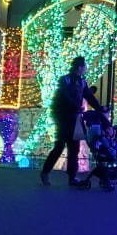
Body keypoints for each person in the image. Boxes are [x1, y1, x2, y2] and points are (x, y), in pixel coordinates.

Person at [40, 57, 100, 187]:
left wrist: (100, 108)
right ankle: (45, 172)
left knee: (74, 148)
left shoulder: (82, 82)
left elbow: (89, 96)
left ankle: (72, 177)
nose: (85, 68)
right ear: (79, 67)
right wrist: (75, 106)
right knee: (60, 146)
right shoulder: (65, 80)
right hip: (63, 117)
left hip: (75, 117)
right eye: (84, 66)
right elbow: (65, 95)